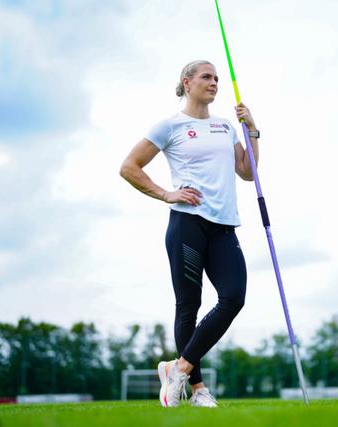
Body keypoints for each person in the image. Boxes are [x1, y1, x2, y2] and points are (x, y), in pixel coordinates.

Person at [119, 60, 259, 408]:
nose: (214, 83)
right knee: (189, 306)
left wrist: (252, 130)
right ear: (187, 82)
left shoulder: (225, 127)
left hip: (224, 226)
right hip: (187, 224)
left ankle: (178, 368)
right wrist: (166, 193)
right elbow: (128, 168)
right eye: (207, 77)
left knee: (234, 297)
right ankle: (197, 390)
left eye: (217, 79)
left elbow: (248, 172)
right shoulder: (171, 126)